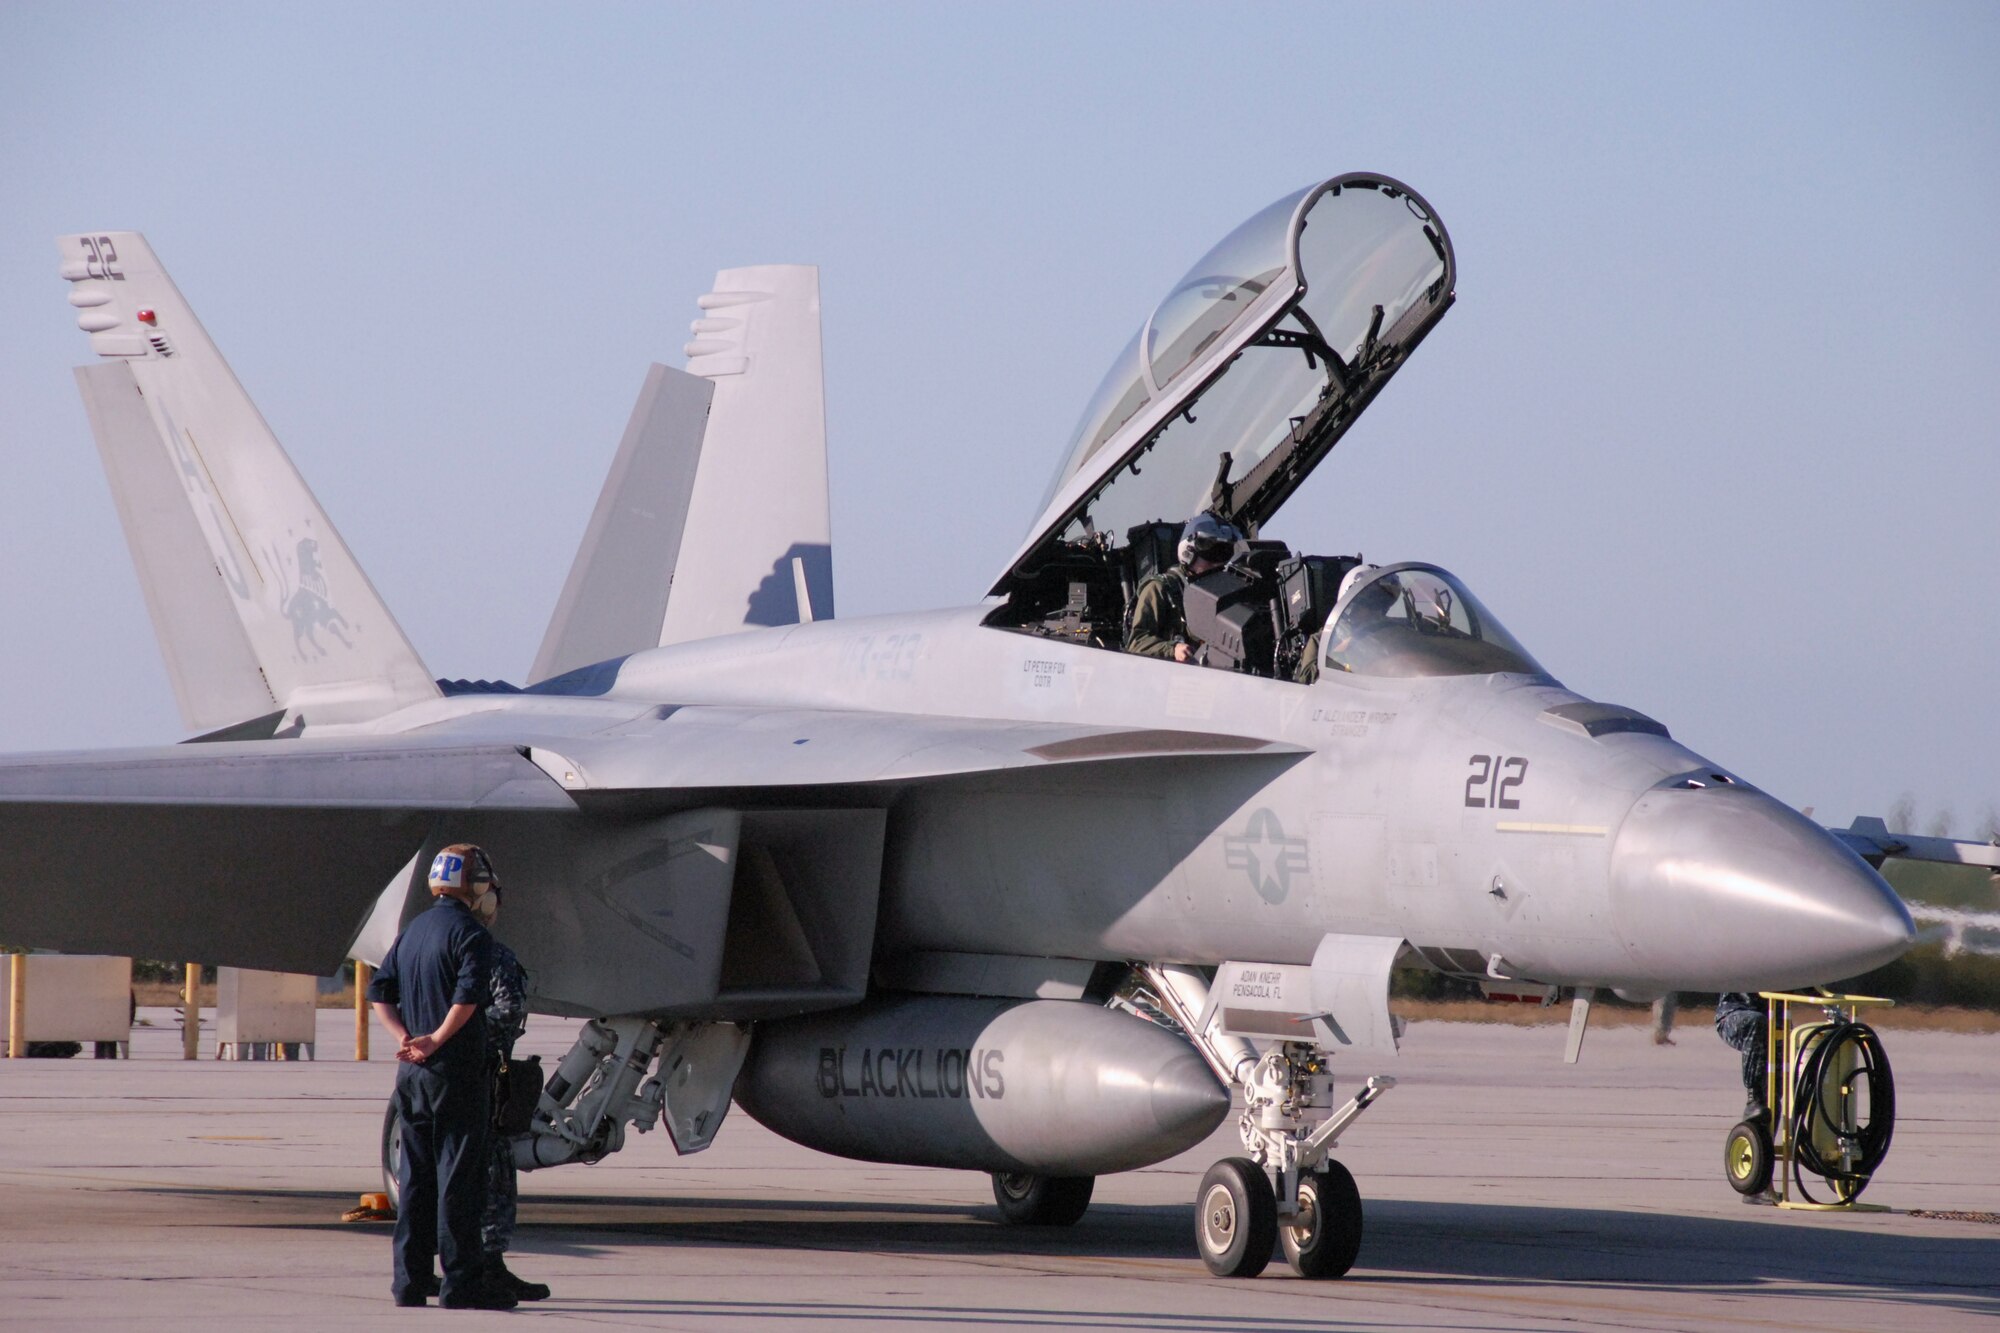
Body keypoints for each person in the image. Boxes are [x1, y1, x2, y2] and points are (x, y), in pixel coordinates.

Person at [367, 844, 512, 1310]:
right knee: (459, 1181)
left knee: (416, 1180)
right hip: (456, 1073)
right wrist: (438, 1037)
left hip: (410, 1076)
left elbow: (379, 991)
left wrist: (407, 1036)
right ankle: (461, 1284)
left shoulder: (413, 931)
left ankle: (409, 1283)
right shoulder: (472, 935)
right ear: (474, 887)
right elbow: (467, 998)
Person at [476, 880, 549, 1302]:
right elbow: (506, 1010)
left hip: (425, 1074)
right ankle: (487, 1265)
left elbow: (387, 994)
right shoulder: (488, 951)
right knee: (495, 1171)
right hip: (480, 1078)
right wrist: (474, 1045)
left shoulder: (419, 940)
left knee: (436, 1172)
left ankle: (420, 1269)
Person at [1125, 511, 1241, 661]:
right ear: (1189, 553)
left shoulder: (1226, 592)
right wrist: (1173, 649)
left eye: (1223, 555)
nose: (1217, 563)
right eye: (1211, 555)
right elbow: (1136, 643)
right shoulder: (1160, 589)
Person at [1714, 992, 1769, 1121]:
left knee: (1773, 1094)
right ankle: (1754, 1098)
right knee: (1756, 1022)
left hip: (1776, 1018)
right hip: (1736, 1012)